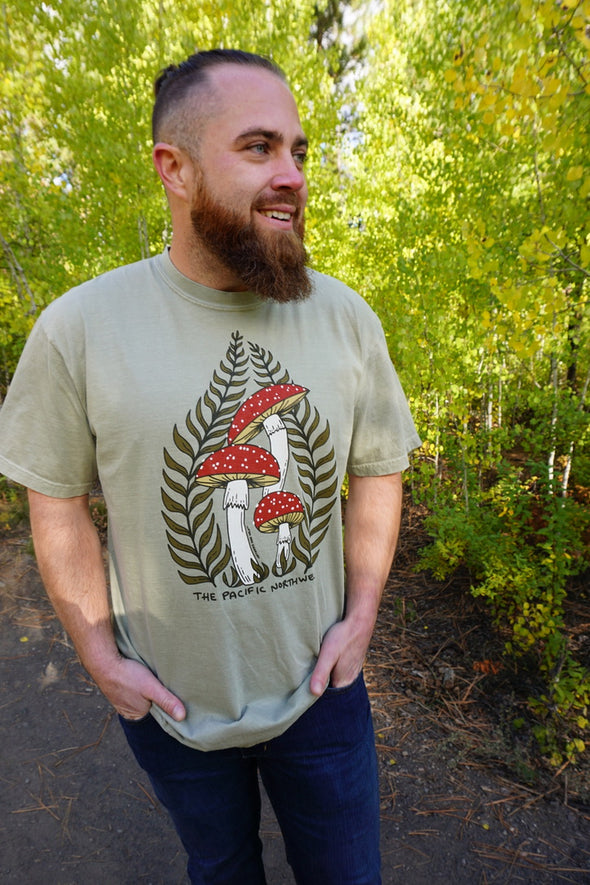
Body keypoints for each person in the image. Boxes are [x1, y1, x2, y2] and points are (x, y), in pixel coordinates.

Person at [0, 49, 421, 884]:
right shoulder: (80, 328)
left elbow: (376, 466)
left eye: (299, 151)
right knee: (220, 867)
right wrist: (97, 652)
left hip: (322, 690)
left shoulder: (344, 319)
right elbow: (56, 497)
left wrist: (362, 614)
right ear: (176, 168)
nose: (293, 175)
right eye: (260, 147)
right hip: (171, 704)